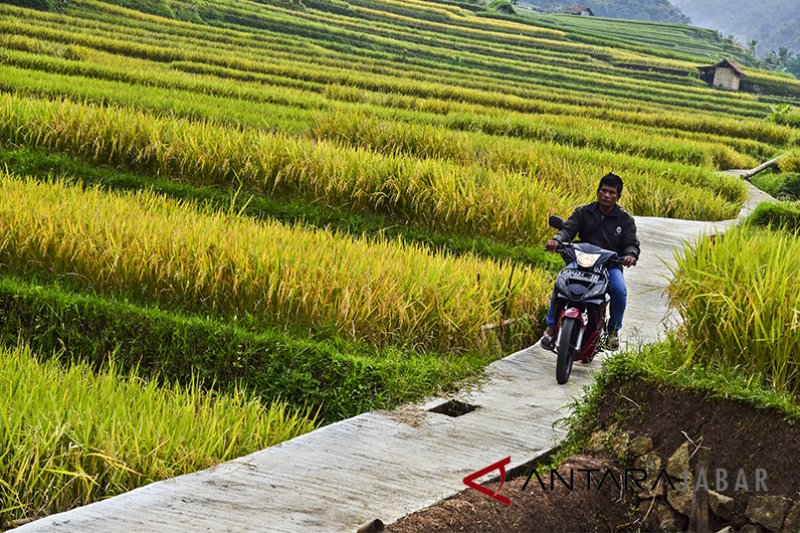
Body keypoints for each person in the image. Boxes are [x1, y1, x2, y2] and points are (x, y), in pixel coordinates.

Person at [540, 172, 640, 351]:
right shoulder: (583, 212)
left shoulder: (625, 220)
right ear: (598, 191)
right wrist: (557, 240)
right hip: (582, 261)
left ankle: (612, 332)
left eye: (611, 192)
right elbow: (568, 230)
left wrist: (630, 255)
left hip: (609, 264)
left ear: (618, 196)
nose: (607, 195)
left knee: (619, 290)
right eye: (603, 191)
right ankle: (551, 327)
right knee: (560, 282)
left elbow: (631, 243)